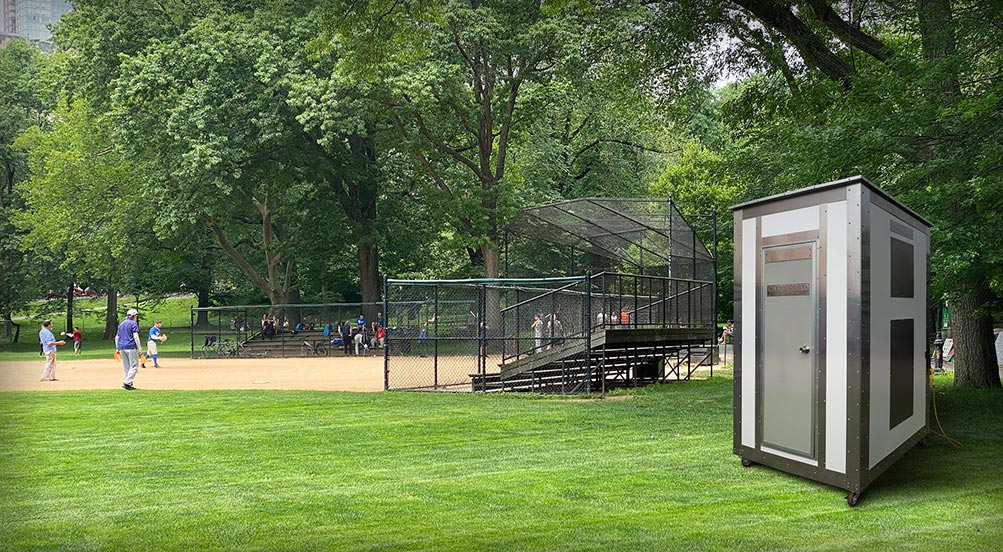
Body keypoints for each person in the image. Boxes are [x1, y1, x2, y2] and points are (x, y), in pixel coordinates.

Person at [116, 308, 143, 390]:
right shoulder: (133, 323)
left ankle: (129, 384)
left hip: (121, 347)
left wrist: (117, 348)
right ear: (134, 316)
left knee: (127, 367)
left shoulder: (121, 324)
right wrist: (140, 349)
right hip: (131, 346)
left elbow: (117, 337)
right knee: (134, 366)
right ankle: (127, 382)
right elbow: (135, 336)